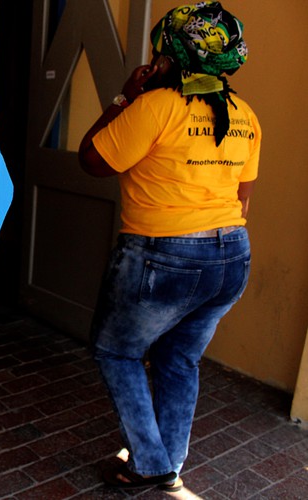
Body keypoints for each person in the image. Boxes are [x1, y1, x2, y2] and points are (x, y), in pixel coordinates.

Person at [77, 1, 261, 492]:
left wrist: (123, 97)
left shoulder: (156, 106)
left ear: (170, 57)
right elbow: (242, 196)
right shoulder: (245, 114)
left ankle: (150, 463)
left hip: (164, 255)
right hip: (232, 255)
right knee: (180, 359)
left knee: (117, 352)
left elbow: (93, 161)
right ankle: (167, 458)